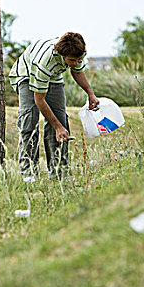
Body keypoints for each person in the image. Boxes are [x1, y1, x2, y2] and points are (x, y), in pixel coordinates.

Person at [9, 32, 100, 182]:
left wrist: (90, 93)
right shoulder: (45, 62)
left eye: (79, 59)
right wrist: (57, 127)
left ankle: (59, 172)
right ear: (62, 55)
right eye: (72, 60)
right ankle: (29, 172)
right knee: (30, 119)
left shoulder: (78, 51)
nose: (76, 63)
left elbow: (77, 71)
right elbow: (39, 100)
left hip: (53, 77)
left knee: (60, 118)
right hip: (26, 75)